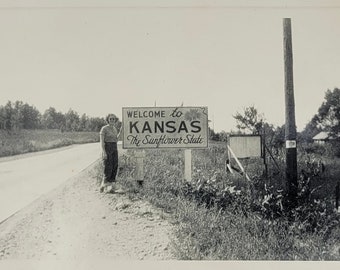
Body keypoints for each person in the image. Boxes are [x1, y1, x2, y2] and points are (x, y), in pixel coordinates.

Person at [99, 113, 121, 193]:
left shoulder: (115, 129)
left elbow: (116, 139)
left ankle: (111, 186)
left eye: (113, 119)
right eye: (110, 119)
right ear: (108, 120)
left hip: (114, 147)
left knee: (115, 165)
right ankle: (104, 185)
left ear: (115, 120)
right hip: (107, 148)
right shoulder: (104, 128)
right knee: (108, 166)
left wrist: (121, 131)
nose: (112, 120)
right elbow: (102, 141)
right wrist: (104, 152)